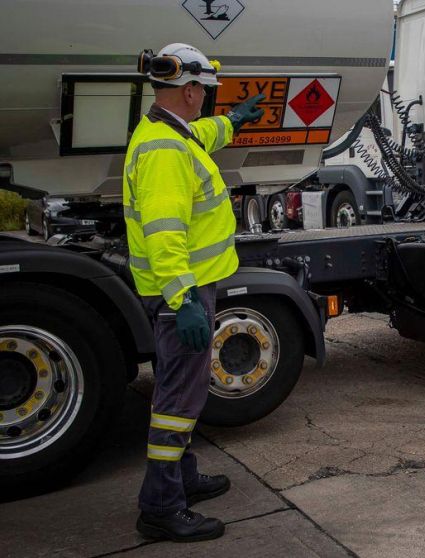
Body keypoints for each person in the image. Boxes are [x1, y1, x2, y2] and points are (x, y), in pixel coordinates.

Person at [124, 42, 264, 542]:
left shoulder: (167, 131)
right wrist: (182, 300)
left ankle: (183, 481)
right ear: (187, 91)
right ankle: (161, 507)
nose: (205, 100)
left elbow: (201, 134)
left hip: (178, 291)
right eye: (204, 92)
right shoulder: (164, 152)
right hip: (180, 294)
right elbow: (166, 234)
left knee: (177, 390)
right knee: (177, 401)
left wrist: (234, 122)